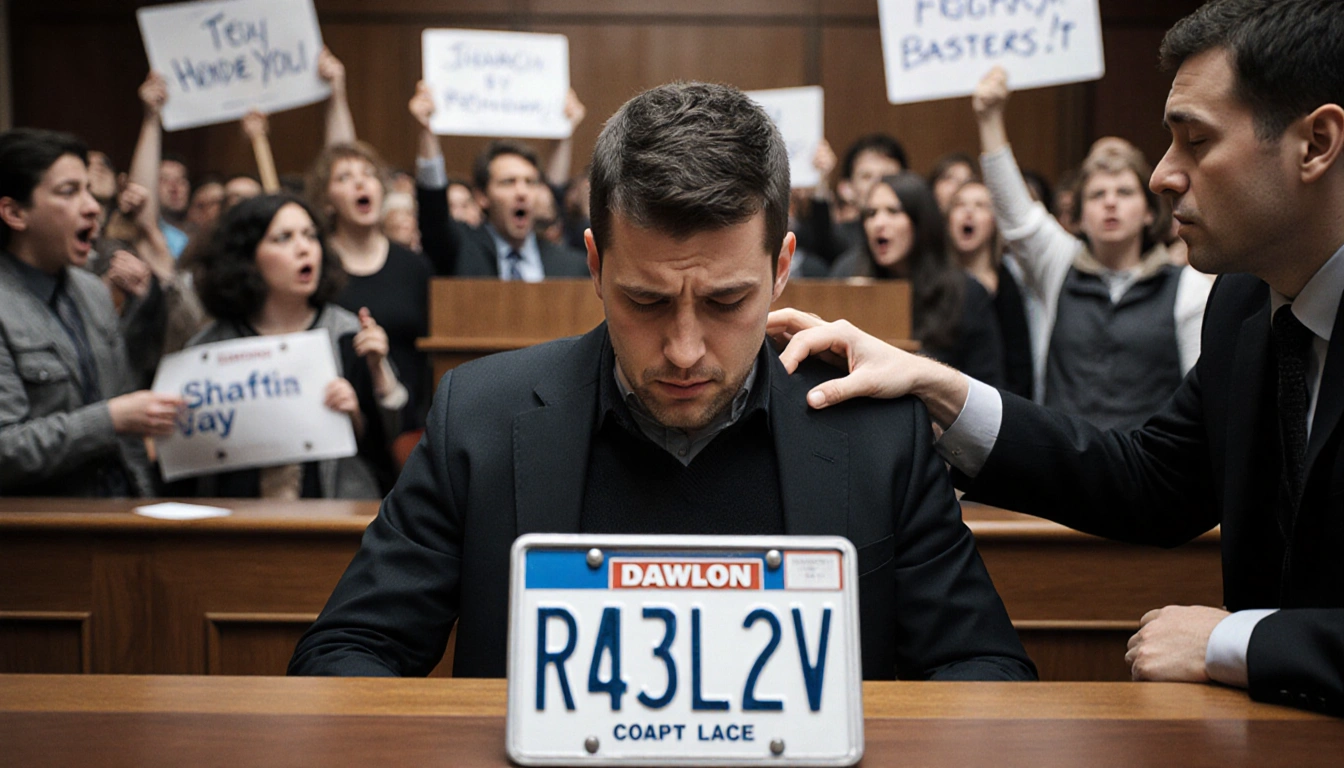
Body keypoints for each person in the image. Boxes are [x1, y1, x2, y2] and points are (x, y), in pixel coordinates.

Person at [290, 82, 1035, 683]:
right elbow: (346, 651)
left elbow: (984, 664)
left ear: (781, 269)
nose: (683, 351)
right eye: (645, 301)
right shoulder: (480, 417)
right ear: (594, 264)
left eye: (725, 302)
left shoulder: (879, 432)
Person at [767, 0, 1344, 715]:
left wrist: (1246, 644)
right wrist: (939, 386)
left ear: (1316, 143)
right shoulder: (1245, 307)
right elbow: (1151, 480)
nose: (1165, 174)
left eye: (1195, 141)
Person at [974, 66, 1211, 427]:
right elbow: (1016, 216)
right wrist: (989, 119)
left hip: (1147, 473)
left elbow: (1202, 396)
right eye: (1098, 195)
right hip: (1062, 468)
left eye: (1125, 192)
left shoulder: (1187, 286)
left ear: (1149, 213)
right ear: (1080, 216)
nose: (1111, 203)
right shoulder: (1059, 266)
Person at [0, 128, 184, 496]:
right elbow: (6, 449)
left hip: (119, 516)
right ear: (15, 212)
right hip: (41, 536)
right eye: (69, 192)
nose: (93, 206)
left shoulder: (91, 292)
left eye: (88, 189)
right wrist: (110, 420)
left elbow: (127, 417)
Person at [182, 194, 405, 498]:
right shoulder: (210, 347)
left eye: (310, 236)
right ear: (247, 257)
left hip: (336, 519)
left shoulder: (349, 334)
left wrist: (367, 395)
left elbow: (393, 443)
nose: (304, 249)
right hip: (232, 526)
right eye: (283, 238)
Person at [831, 173, 1005, 387]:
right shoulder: (852, 279)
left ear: (920, 221)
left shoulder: (965, 293)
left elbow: (987, 385)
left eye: (893, 211)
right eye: (871, 213)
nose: (878, 223)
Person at [307, 141, 433, 432]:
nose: (361, 182)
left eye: (369, 174)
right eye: (344, 177)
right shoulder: (314, 266)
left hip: (406, 424)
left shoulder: (414, 266)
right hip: (334, 421)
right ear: (326, 201)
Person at [408, 81, 588, 279]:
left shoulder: (571, 265)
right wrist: (427, 131)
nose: (522, 192)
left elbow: (554, 189)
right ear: (482, 197)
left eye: (530, 182)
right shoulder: (460, 250)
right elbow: (433, 212)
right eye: (508, 182)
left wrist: (562, 131)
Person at [947, 180, 1034, 399]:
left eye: (980, 206)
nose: (968, 212)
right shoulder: (935, 281)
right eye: (959, 205)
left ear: (995, 221)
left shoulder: (1008, 284)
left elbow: (1019, 363)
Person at [795, 134, 907, 266]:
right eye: (867, 177)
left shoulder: (919, 232)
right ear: (847, 189)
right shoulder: (841, 238)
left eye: (888, 176)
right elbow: (823, 241)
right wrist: (820, 182)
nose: (878, 185)